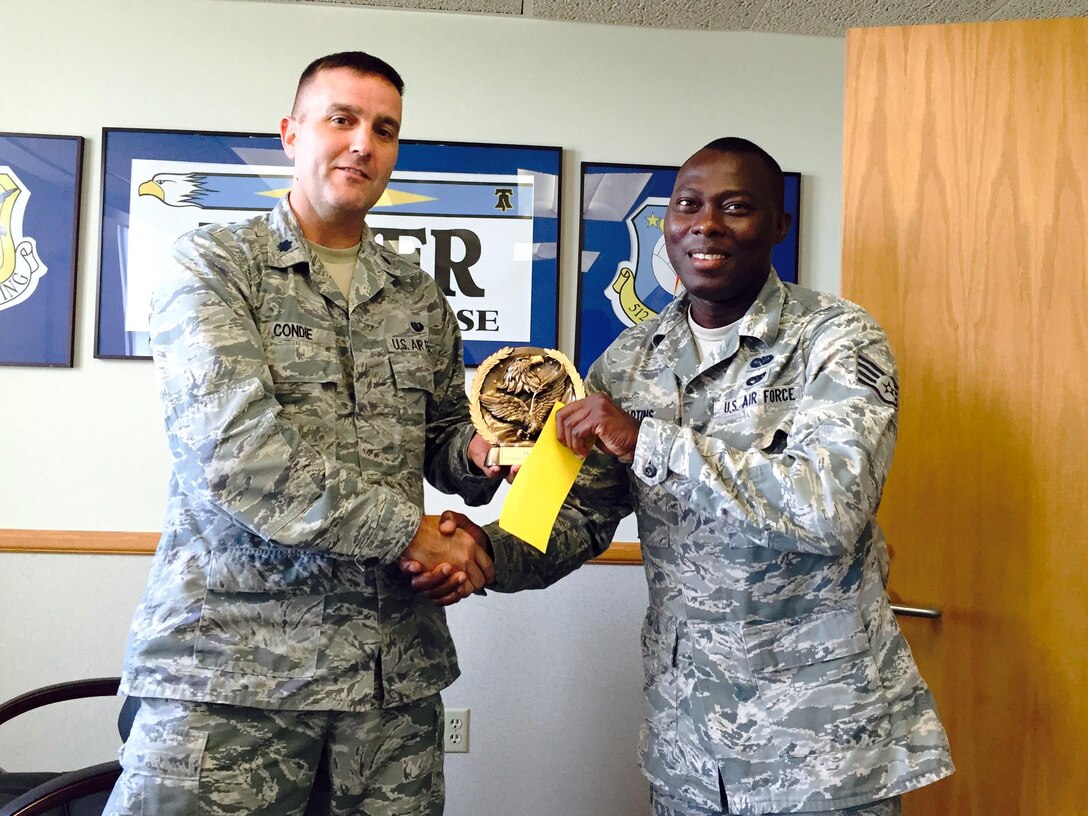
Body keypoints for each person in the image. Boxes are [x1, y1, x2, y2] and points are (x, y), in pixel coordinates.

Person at [415, 138, 954, 815]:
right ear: (666, 224)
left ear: (778, 226)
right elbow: (579, 518)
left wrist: (650, 440)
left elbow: (831, 507)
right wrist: (483, 552)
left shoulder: (837, 340)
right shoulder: (629, 362)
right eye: (688, 205)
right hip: (692, 747)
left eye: (735, 207)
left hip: (822, 745)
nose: (706, 224)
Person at [105, 52, 501, 816]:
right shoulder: (215, 268)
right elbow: (241, 457)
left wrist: (485, 452)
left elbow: (445, 436)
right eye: (342, 119)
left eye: (384, 129)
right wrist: (412, 533)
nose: (363, 143)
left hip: (390, 685)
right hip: (232, 676)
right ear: (291, 134)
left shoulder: (417, 294)